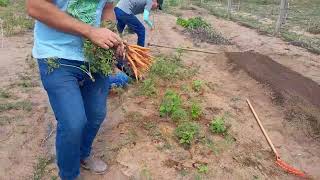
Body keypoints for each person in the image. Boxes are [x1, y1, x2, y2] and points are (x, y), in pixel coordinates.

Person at [26, 0, 124, 179]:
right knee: (73, 123)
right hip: (56, 54)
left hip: (94, 55)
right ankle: (69, 174)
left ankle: (82, 154)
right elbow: (35, 6)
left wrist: (112, 34)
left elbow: (108, 8)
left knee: (96, 114)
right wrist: (90, 31)